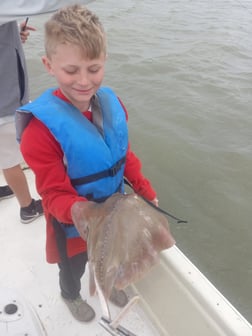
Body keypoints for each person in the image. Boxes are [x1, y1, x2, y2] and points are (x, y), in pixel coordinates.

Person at [16, 5, 159, 323]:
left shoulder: (113, 104)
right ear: (48, 65)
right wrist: (84, 213)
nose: (84, 81)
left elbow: (124, 156)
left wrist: (145, 191)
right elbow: (52, 194)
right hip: (72, 226)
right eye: (71, 70)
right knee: (74, 266)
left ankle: (110, 284)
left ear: (104, 61)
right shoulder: (39, 134)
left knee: (112, 258)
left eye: (93, 69)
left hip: (115, 215)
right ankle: (71, 294)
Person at [0, 19, 44, 224]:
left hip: (8, 95)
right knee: (9, 159)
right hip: (5, 102)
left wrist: (14, 34)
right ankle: (27, 208)